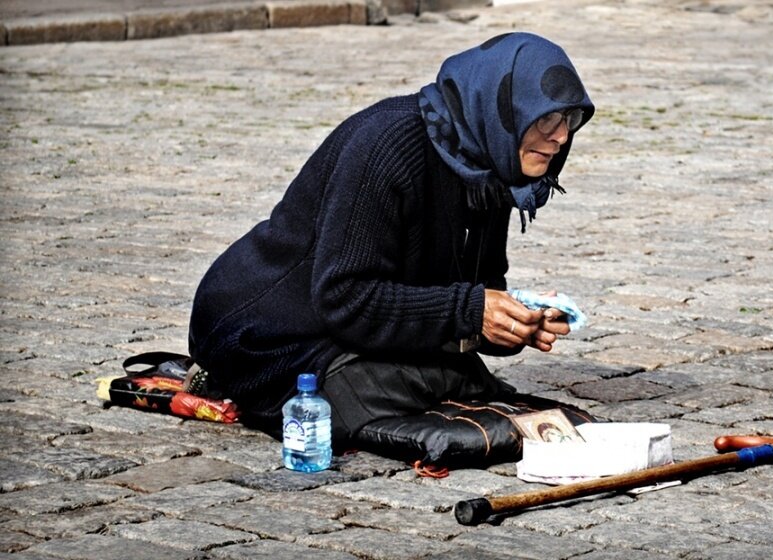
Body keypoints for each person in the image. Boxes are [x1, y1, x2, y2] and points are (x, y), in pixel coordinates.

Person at [188, 32, 595, 450]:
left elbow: (474, 290)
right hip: (266, 333)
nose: (561, 137)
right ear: (505, 108)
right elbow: (345, 298)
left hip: (352, 327)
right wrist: (473, 311)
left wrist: (512, 320)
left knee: (459, 375)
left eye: (569, 121)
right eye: (547, 119)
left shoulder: (490, 167)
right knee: (404, 387)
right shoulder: (388, 144)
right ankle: (220, 376)